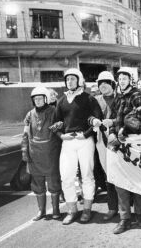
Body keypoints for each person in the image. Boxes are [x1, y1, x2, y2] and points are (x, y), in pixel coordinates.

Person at [54, 68, 103, 225]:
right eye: (67, 79)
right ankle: (72, 210)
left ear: (79, 80)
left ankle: (87, 210)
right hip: (68, 142)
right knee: (66, 177)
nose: (70, 81)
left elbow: (98, 119)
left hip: (84, 141)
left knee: (87, 175)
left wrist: (86, 134)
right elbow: (55, 124)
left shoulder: (89, 98)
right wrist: (61, 135)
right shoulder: (61, 101)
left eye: (73, 79)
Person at [108, 67, 141, 234]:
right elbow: (113, 119)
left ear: (130, 80)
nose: (122, 81)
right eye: (120, 78)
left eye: (125, 78)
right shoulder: (117, 97)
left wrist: (124, 130)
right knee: (120, 183)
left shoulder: (138, 95)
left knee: (136, 180)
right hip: (118, 143)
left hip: (134, 142)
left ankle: (140, 215)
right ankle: (125, 218)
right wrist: (111, 133)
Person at [21, 86, 62, 221]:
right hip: (35, 155)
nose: (38, 101)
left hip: (51, 154)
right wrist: (24, 152)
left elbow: (60, 131)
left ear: (45, 99)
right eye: (35, 99)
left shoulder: (54, 112)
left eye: (40, 98)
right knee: (37, 184)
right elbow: (25, 135)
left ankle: (56, 210)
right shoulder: (29, 114)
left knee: (54, 183)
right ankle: (41, 211)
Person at [93, 71, 120, 221]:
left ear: (112, 84)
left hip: (118, 139)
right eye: (100, 83)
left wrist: (113, 123)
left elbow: (125, 116)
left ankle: (127, 205)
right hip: (101, 140)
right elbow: (88, 117)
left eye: (106, 82)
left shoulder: (120, 98)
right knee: (107, 174)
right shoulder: (95, 100)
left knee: (123, 172)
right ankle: (112, 207)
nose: (103, 85)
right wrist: (93, 121)